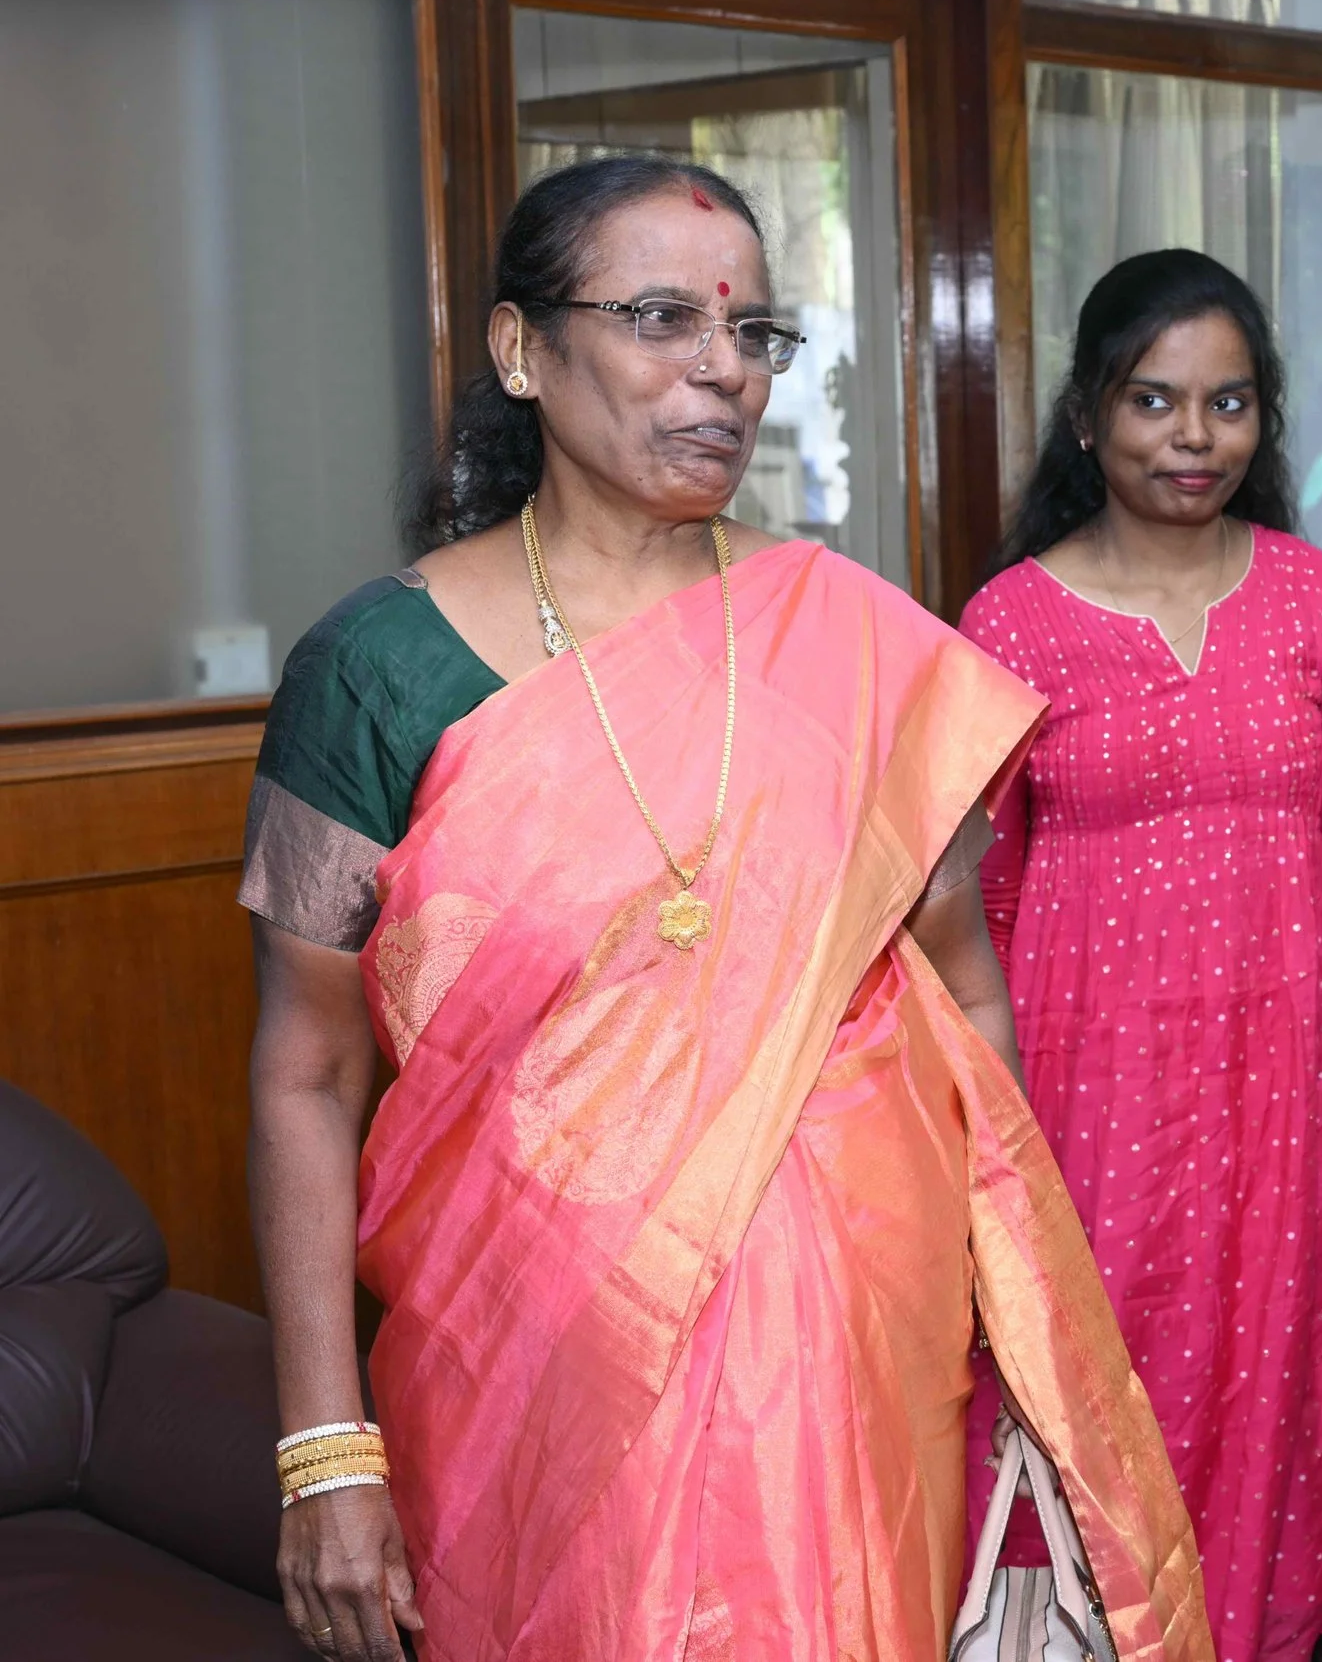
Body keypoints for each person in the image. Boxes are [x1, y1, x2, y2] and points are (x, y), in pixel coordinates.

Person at [242, 156, 1208, 1662]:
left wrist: (1005, 1317)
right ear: (520, 351)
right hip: (529, 1364)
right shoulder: (379, 669)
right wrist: (324, 1441)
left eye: (753, 331)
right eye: (660, 317)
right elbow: (304, 1072)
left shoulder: (856, 641)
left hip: (845, 1350)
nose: (724, 371)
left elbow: (966, 994)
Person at [959, 248, 1322, 1661]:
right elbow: (975, 905)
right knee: (1102, 1384)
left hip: (1294, 1085)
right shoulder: (1008, 622)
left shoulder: (1310, 598)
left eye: (1226, 403)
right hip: (1092, 1091)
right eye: (1154, 400)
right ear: (1089, 415)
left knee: (1270, 1385)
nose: (1193, 437)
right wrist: (990, 1140)